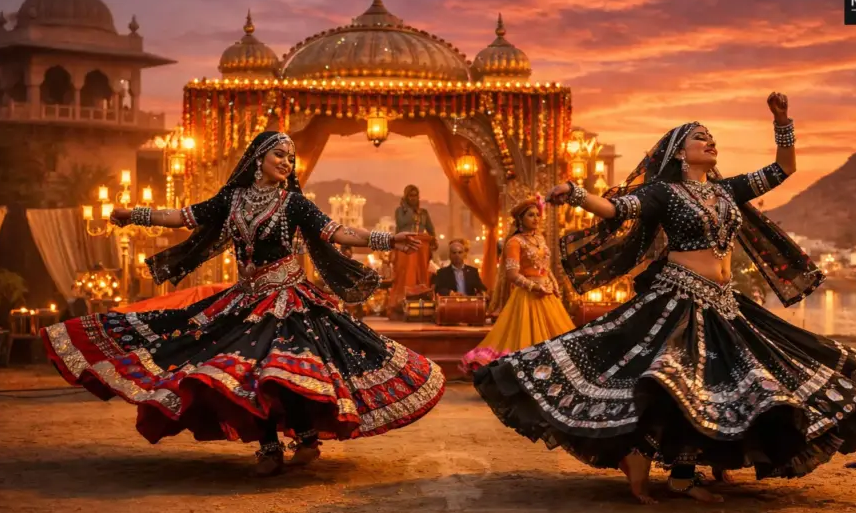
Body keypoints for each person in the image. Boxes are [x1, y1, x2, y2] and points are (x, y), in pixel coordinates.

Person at [473, 94, 856, 504]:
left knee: (727, 386)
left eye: (712, 136)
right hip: (678, 299)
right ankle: (667, 472)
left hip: (725, 301)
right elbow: (616, 209)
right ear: (680, 151)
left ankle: (685, 472)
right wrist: (578, 194)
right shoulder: (664, 193)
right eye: (700, 136)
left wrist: (782, 123)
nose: (710, 141)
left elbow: (782, 169)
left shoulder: (726, 191)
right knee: (675, 387)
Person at [41, 131, 445, 477]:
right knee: (243, 375)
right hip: (244, 301)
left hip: (290, 302)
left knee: (279, 371)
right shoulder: (231, 200)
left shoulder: (294, 203)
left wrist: (387, 240)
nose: (286, 162)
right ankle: (269, 447)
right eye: (279, 155)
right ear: (258, 158)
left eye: (290, 157)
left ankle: (305, 438)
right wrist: (136, 215)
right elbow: (185, 216)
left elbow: (336, 231)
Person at [461, 196, 575, 374]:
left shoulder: (540, 238)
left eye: (538, 214)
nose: (536, 218)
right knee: (524, 339)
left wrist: (553, 284)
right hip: (527, 296)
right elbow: (512, 274)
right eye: (531, 215)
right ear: (520, 219)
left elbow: (545, 267)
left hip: (548, 295)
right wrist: (535, 287)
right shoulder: (514, 242)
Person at [388, 185, 437, 315]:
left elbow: (431, 229)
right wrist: (408, 209)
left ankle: (421, 304)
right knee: (404, 274)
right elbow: (401, 224)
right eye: (411, 195)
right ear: (406, 197)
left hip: (421, 249)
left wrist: (433, 240)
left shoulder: (424, 212)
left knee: (421, 274)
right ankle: (400, 304)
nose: (414, 198)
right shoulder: (400, 211)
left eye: (416, 195)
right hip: (404, 247)